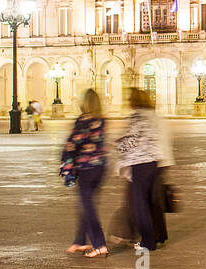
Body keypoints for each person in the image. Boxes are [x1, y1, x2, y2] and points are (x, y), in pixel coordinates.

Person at [114, 89, 163, 252]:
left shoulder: (137, 116)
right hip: (154, 161)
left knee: (139, 204)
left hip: (140, 162)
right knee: (146, 202)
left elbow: (132, 139)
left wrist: (118, 144)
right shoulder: (152, 116)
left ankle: (148, 242)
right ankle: (151, 238)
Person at [61, 88, 108, 259]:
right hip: (101, 167)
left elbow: (72, 144)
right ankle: (80, 240)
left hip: (86, 168)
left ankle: (99, 244)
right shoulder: (101, 120)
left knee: (87, 206)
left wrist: (66, 165)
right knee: (86, 203)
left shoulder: (83, 120)